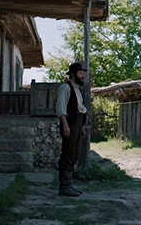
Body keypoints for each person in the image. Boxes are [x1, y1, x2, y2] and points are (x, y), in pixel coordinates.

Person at [55, 62, 88, 197]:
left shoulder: (77, 90)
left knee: (74, 154)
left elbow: (80, 109)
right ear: (73, 74)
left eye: (83, 74)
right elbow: (61, 109)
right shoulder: (65, 88)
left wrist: (82, 127)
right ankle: (64, 186)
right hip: (70, 124)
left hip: (77, 125)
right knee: (67, 154)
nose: (83, 76)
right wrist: (66, 125)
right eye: (80, 73)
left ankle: (69, 184)